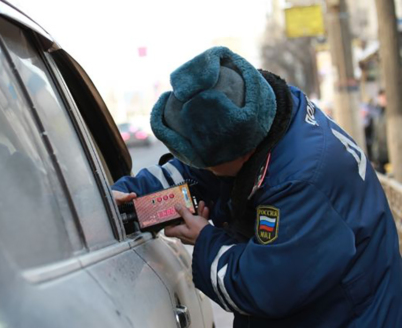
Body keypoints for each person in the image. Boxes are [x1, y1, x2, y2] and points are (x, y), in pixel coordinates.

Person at [112, 47, 402, 327]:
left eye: (209, 164)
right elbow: (193, 174)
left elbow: (265, 288)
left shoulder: (300, 183)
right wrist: (124, 197)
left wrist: (205, 240)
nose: (203, 170)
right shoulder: (263, 112)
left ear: (242, 154)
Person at [372, 90, 389, 174]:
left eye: (384, 97)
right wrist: (374, 155)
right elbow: (375, 136)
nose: (382, 100)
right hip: (381, 154)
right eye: (380, 98)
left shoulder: (390, 114)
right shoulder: (378, 113)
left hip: (389, 152)